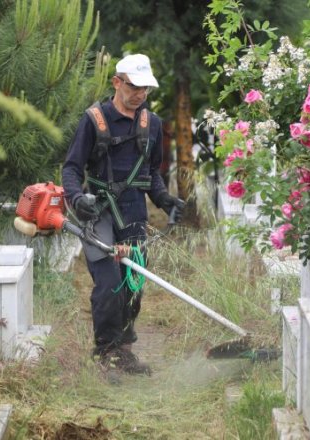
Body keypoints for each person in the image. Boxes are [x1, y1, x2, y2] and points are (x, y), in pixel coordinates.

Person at [61, 54, 184, 377]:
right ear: (117, 82)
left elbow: (151, 173)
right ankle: (105, 354)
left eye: (146, 88)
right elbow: (72, 168)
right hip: (98, 213)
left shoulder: (151, 124)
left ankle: (124, 351)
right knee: (109, 285)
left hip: (133, 213)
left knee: (132, 285)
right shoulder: (94, 121)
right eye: (134, 87)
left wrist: (164, 199)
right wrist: (76, 198)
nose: (140, 94)